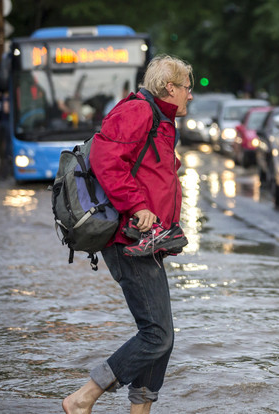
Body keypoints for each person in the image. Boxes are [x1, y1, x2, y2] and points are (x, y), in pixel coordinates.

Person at [62, 55, 193, 414]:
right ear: (171, 87)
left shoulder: (160, 119)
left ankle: (140, 410)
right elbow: (106, 158)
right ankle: (83, 397)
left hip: (148, 240)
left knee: (161, 337)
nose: (190, 96)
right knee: (157, 335)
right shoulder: (138, 112)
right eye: (187, 88)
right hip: (127, 238)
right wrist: (137, 206)